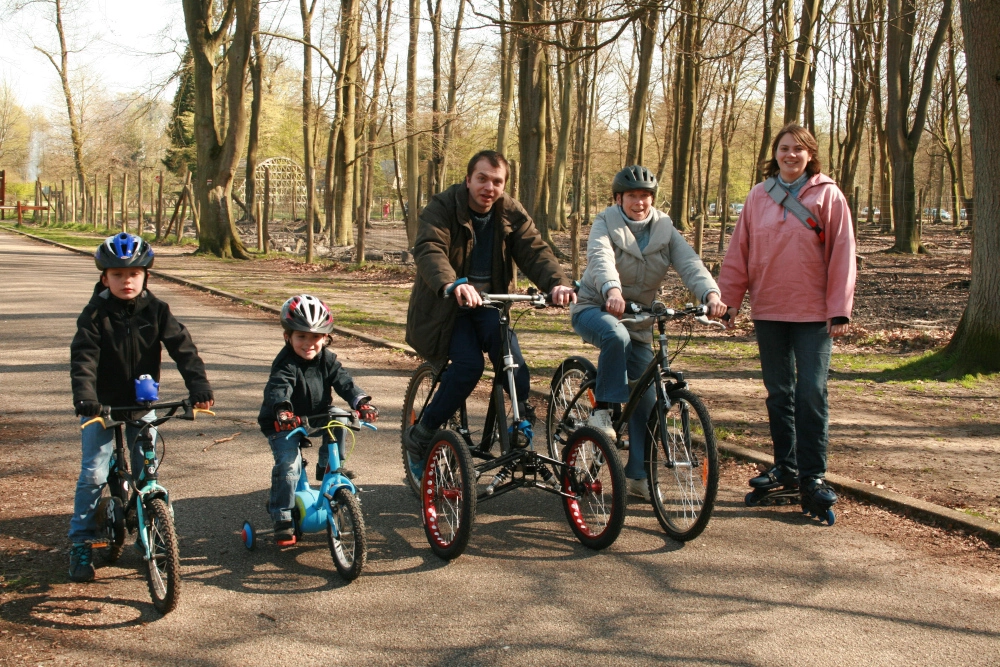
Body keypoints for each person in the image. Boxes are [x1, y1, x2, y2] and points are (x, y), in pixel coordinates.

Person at [403, 150, 576, 474]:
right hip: (447, 309)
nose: (489, 187)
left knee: (514, 363)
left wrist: (557, 284)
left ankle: (519, 425)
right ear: (469, 179)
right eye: (482, 179)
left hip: (489, 306)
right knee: (468, 366)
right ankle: (422, 432)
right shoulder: (443, 207)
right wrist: (452, 284)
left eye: (497, 181)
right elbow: (430, 248)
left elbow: (535, 250)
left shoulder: (509, 211)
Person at [717, 123, 856, 512]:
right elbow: (739, 252)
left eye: (798, 148)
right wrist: (729, 300)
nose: (790, 154)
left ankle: (812, 475)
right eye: (783, 148)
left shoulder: (828, 196)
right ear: (774, 153)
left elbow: (843, 254)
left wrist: (839, 309)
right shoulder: (758, 196)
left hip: (813, 313)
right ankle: (786, 467)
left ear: (810, 154)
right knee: (779, 394)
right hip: (770, 310)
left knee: (810, 392)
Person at [571, 166, 726, 501]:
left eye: (645, 196)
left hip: (639, 318)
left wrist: (710, 295)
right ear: (619, 199)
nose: (639, 202)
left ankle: (638, 475)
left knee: (648, 398)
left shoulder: (665, 229)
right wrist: (612, 290)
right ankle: (602, 411)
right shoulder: (605, 223)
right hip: (596, 308)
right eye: (632, 196)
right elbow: (600, 259)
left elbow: (690, 264)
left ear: (652, 200)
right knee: (616, 337)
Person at [69, 232, 215, 582]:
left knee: (147, 468)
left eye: (134, 273)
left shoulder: (158, 310)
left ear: (146, 275)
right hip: (101, 407)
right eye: (117, 275)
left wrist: (199, 387)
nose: (126, 280)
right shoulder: (94, 314)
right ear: (104, 277)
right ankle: (80, 544)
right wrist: (85, 398)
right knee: (93, 472)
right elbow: (84, 359)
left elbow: (184, 349)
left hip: (141, 403)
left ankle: (150, 525)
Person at [258, 294, 379, 546]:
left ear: (325, 338)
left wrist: (361, 402)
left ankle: (329, 467)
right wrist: (283, 411)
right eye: (301, 336)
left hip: (316, 417)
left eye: (315, 337)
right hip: (284, 422)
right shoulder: (285, 364)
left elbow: (345, 382)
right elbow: (279, 389)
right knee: (289, 467)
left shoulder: (328, 359)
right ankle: (282, 517)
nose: (308, 343)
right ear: (288, 337)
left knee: (341, 419)